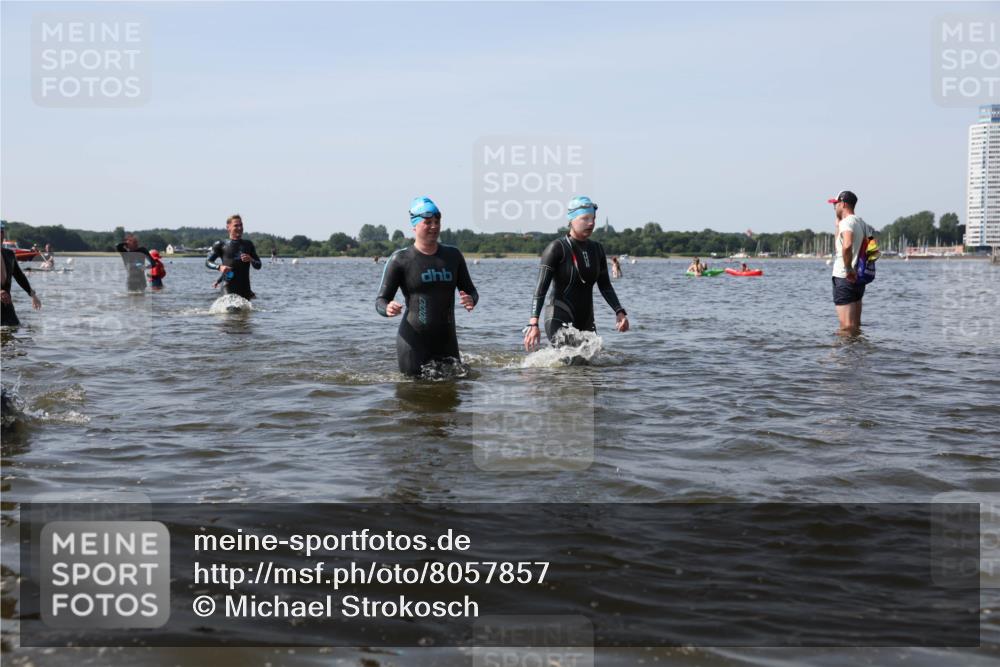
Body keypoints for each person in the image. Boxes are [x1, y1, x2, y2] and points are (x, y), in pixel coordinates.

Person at [375, 196, 478, 377]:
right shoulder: (400, 260)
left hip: (447, 341)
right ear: (414, 226)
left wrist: (471, 299)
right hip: (414, 343)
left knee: (453, 396)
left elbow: (471, 291)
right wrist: (387, 308)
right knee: (414, 396)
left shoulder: (453, 256)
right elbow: (381, 300)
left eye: (437, 221)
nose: (434, 226)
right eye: (428, 222)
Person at [524, 196, 628, 351]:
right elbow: (541, 289)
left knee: (589, 367)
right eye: (585, 218)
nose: (591, 223)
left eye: (593, 218)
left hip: (586, 319)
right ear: (571, 220)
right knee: (568, 364)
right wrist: (533, 323)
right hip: (558, 315)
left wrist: (619, 311)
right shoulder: (556, 248)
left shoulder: (597, 249)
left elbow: (605, 286)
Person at [828, 190, 871, 334]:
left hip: (844, 277)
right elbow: (873, 250)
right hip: (858, 280)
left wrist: (848, 269)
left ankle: (844, 357)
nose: (834, 207)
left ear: (843, 204)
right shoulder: (862, 223)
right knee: (856, 325)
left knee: (846, 327)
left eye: (836, 204)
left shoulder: (846, 223)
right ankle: (856, 355)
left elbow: (846, 245)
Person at [206, 214, 262, 300]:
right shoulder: (220, 244)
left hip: (245, 289)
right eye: (236, 225)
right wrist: (219, 267)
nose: (240, 228)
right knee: (231, 311)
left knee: (245, 313)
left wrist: (250, 259)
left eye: (241, 225)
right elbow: (208, 262)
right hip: (228, 288)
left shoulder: (248, 244)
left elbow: (258, 265)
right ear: (228, 227)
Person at [1, 221, 41, 327]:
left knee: (14, 330)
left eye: (1, 232)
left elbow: (19, 276)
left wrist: (32, 294)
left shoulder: (9, 254)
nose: (0, 235)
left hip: (6, 305)